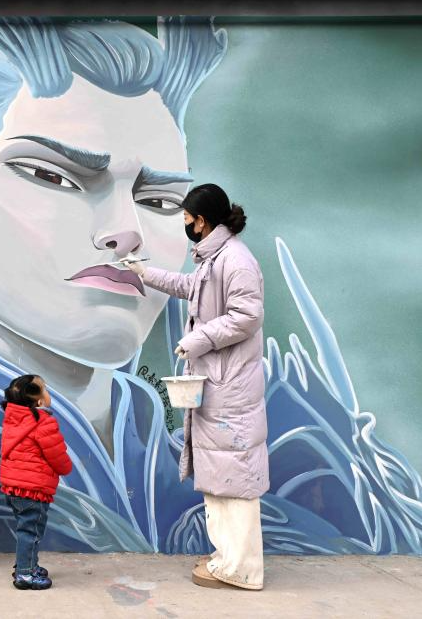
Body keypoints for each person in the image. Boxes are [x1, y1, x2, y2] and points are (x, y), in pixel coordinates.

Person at [123, 183, 268, 591]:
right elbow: (190, 287)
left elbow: (247, 316)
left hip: (231, 389)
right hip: (220, 386)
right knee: (220, 476)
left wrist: (197, 339)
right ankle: (228, 560)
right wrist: (144, 273)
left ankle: (242, 569)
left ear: (202, 221)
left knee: (234, 479)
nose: (184, 224)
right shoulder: (214, 258)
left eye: (187, 218)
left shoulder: (235, 260)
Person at [0, 374, 72, 590]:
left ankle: (27, 564)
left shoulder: (13, 420)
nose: (48, 393)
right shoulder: (43, 423)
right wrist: (66, 468)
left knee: (26, 529)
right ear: (39, 401)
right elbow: (57, 454)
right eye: (45, 389)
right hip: (33, 490)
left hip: (14, 488)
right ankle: (25, 573)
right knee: (31, 532)